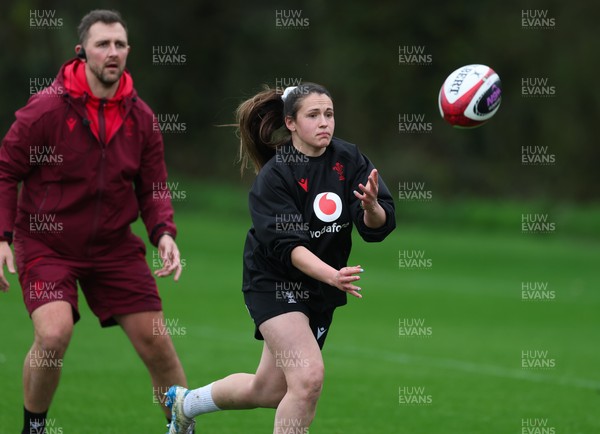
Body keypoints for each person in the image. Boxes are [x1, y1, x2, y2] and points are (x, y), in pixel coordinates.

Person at [164, 83, 396, 434]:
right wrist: (332, 275)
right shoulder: (276, 175)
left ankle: (186, 404)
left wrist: (372, 207)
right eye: (313, 115)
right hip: (273, 283)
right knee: (307, 379)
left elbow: (377, 226)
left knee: (270, 390)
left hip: (317, 290)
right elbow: (290, 248)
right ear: (290, 122)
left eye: (329, 114)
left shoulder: (348, 160)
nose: (324, 123)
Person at [0, 9, 189, 433]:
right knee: (53, 336)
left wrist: (163, 233)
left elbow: (154, 186)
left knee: (159, 345)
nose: (113, 52)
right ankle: (34, 428)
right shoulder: (46, 109)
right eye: (103, 44)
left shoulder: (142, 119)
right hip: (48, 243)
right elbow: (5, 170)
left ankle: (183, 429)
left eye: (120, 44)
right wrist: (2, 237)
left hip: (112, 248)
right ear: (81, 50)